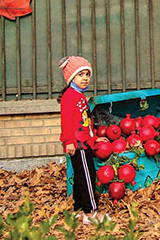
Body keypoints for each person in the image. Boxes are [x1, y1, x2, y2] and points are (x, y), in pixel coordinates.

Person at [58, 55, 109, 224]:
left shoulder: (80, 97)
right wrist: (69, 141)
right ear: (71, 77)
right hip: (77, 145)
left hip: (85, 143)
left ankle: (78, 209)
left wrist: (95, 139)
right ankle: (91, 211)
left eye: (87, 74)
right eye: (81, 75)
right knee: (87, 177)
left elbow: (85, 123)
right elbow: (67, 122)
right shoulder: (69, 96)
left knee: (82, 176)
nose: (85, 78)